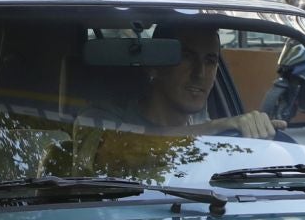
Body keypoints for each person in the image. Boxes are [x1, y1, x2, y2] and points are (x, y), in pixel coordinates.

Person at [102, 25, 275, 138]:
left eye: (210, 61)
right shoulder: (102, 118)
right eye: (186, 57)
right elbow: (131, 141)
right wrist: (215, 128)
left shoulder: (204, 121)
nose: (200, 73)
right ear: (154, 65)